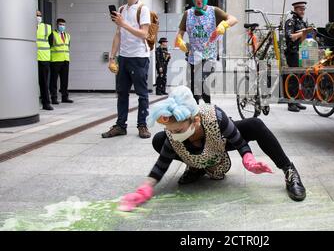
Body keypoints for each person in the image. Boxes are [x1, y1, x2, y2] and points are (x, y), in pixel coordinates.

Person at [117, 86, 307, 212]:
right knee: (159, 140)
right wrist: (145, 188)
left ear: (195, 120)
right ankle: (196, 167)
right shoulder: (173, 134)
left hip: (220, 141)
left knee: (256, 124)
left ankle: (289, 171)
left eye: (179, 130)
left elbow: (239, 142)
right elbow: (161, 164)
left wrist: (248, 160)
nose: (174, 135)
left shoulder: (214, 116)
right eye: (171, 131)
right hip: (198, 150)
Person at [102, 0, 152, 139]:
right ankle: (120, 125)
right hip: (123, 57)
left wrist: (124, 24)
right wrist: (112, 57)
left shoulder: (142, 9)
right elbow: (118, 34)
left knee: (142, 94)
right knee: (122, 93)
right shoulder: (122, 9)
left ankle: (142, 125)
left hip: (139, 58)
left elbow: (144, 34)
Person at [174, 0, 238, 104]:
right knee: (194, 89)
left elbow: (234, 19)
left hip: (209, 56)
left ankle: (206, 113)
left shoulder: (214, 11)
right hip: (193, 57)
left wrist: (224, 25)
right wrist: (179, 41)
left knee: (201, 82)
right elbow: (180, 33)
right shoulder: (187, 14)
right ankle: (201, 115)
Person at [284, 1, 314, 112]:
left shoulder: (302, 23)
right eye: (300, 9)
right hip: (293, 53)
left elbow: (306, 35)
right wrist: (303, 33)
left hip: (302, 52)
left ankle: (297, 101)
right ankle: (291, 103)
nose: (303, 11)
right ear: (295, 9)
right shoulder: (290, 22)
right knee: (293, 78)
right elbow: (290, 36)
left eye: (303, 9)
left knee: (300, 78)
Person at [49, 18, 73, 104]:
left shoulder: (68, 35)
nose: (62, 26)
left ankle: (64, 97)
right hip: (55, 60)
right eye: (60, 25)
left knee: (64, 80)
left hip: (65, 60)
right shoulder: (52, 34)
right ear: (57, 25)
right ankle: (54, 98)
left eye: (63, 25)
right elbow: (49, 46)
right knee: (54, 80)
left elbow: (67, 47)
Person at [36, 10, 53, 111]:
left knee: (44, 83)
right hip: (29, 59)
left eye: (39, 15)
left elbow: (51, 42)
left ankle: (46, 103)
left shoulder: (47, 27)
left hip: (43, 58)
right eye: (36, 15)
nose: (38, 17)